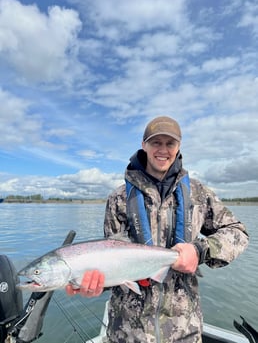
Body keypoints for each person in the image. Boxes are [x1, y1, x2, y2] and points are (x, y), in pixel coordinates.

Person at [66, 116, 249, 343]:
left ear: (178, 147)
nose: (163, 150)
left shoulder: (199, 194)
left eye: (169, 143)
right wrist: (94, 284)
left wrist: (201, 250)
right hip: (126, 332)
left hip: (184, 331)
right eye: (156, 143)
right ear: (144, 145)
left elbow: (238, 232)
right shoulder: (118, 199)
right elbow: (111, 261)